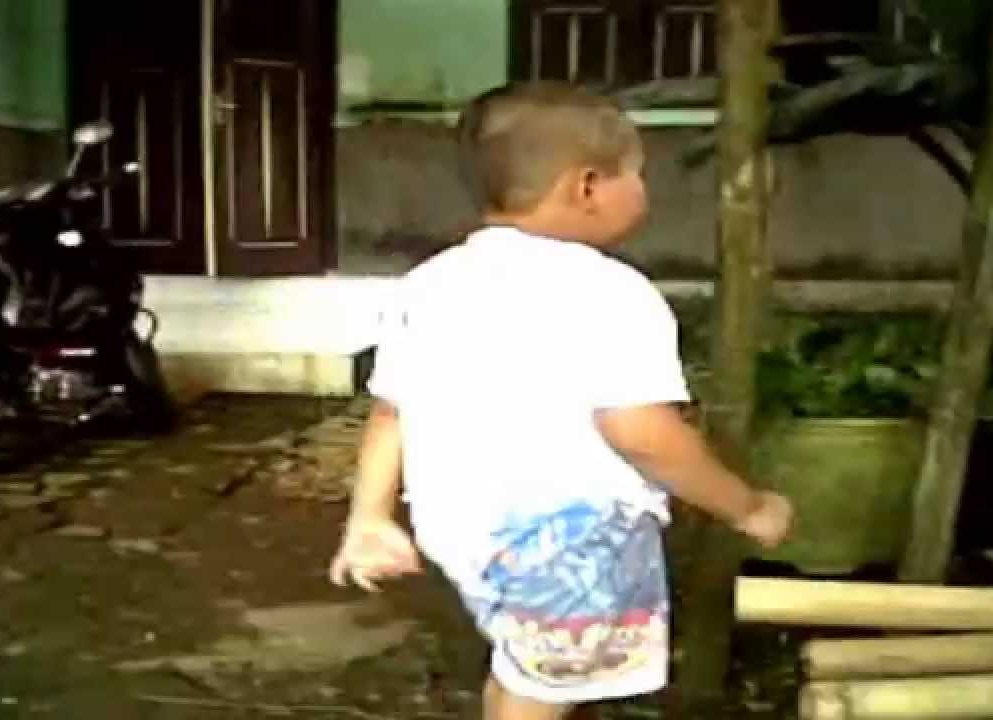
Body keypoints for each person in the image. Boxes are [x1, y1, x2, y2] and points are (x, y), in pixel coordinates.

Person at [329, 81, 793, 720]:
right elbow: (642, 433)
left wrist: (369, 517)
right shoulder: (613, 293)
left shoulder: (430, 283)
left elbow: (392, 412)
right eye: (636, 173)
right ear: (588, 187)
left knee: (525, 667)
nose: (644, 189)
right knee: (544, 690)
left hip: (463, 530)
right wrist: (746, 506)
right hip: (571, 541)